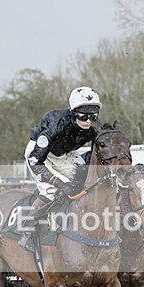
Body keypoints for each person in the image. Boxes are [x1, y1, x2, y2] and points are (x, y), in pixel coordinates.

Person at [24, 85, 102, 214]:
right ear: (74, 112)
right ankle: (27, 227)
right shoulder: (57, 124)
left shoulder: (94, 127)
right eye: (83, 116)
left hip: (64, 155)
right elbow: (35, 161)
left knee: (82, 185)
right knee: (51, 193)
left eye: (93, 116)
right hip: (40, 155)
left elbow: (96, 154)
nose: (88, 121)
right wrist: (59, 183)